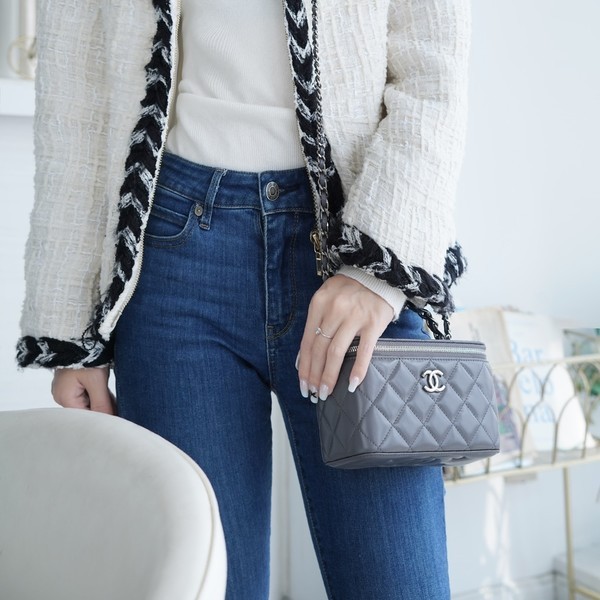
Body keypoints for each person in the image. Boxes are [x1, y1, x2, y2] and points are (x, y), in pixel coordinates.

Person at [17, 0, 471, 598]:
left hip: (354, 239)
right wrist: (72, 330)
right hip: (173, 256)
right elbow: (74, 85)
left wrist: (375, 269)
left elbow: (434, 71)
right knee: (204, 581)